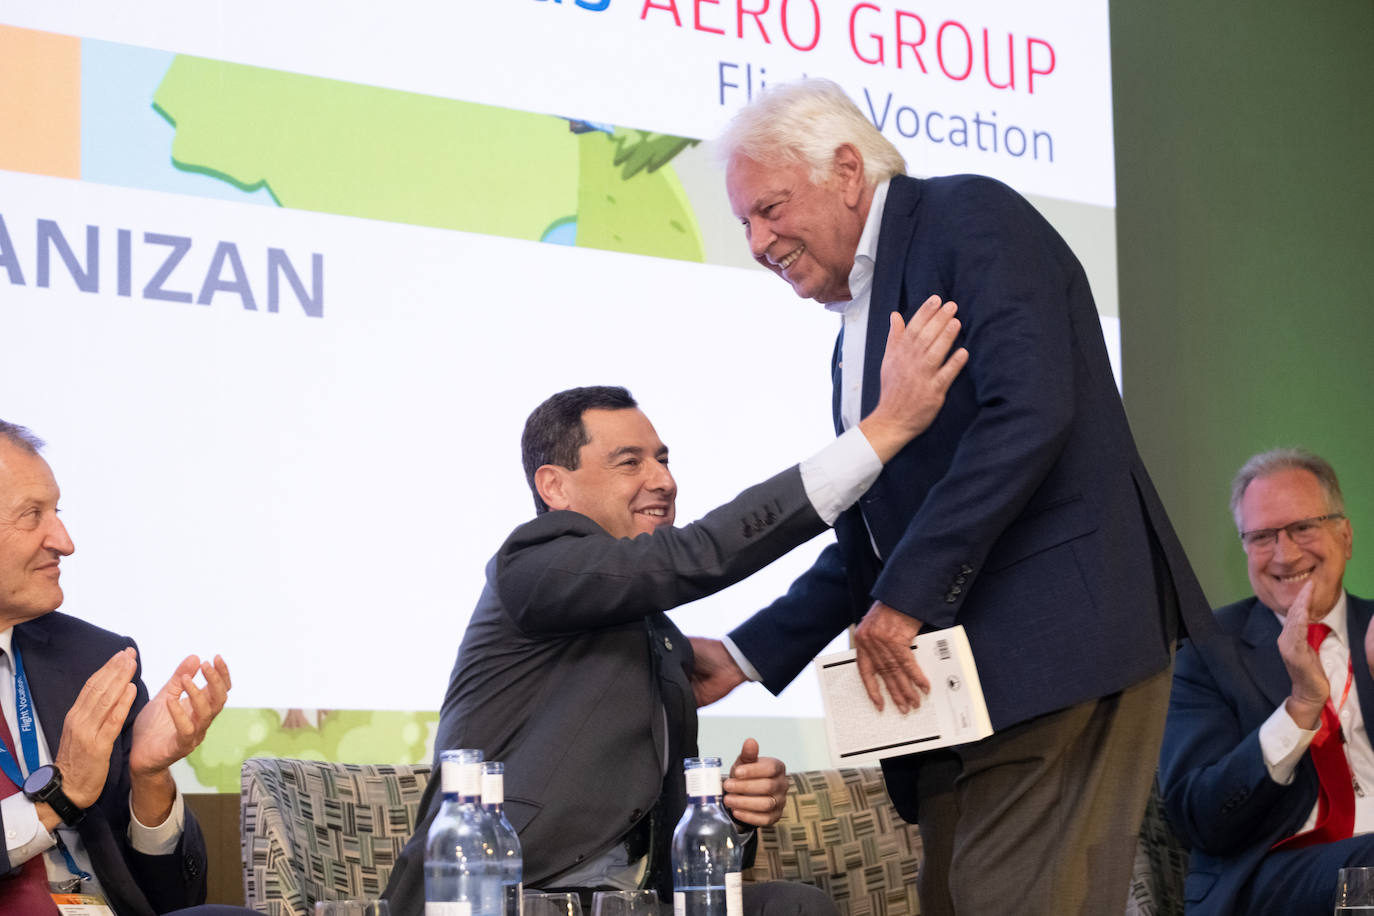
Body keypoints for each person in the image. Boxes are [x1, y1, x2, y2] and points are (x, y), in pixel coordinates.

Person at [698, 78, 1215, 915]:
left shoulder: (967, 217)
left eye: (768, 209)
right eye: (744, 224)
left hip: (1055, 649)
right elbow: (878, 528)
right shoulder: (853, 332)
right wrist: (750, 654)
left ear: (843, 169)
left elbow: (1030, 410)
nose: (757, 241)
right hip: (957, 694)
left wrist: (902, 601)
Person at [381, 299, 968, 916]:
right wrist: (882, 432)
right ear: (554, 486)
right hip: (508, 894)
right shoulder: (531, 566)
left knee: (794, 905)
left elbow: (674, 851)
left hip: (630, 902)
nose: (662, 480)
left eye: (663, 458)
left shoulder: (655, 639)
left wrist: (730, 813)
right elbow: (694, 555)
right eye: (628, 462)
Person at [0, 420, 251, 915]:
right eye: (33, 516)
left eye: (58, 512)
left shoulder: (94, 660)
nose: (65, 542)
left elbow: (172, 899)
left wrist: (149, 778)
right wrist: (57, 798)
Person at [1159, 449, 1374, 916]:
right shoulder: (1205, 652)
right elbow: (1198, 818)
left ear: (1346, 535)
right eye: (1262, 537)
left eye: (1302, 528)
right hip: (1273, 879)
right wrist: (1299, 708)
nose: (1285, 553)